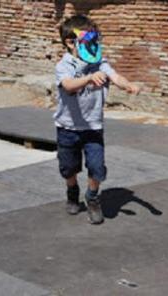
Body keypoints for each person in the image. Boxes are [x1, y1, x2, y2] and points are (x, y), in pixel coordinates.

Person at [55, 15, 140, 224]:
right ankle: (72, 190)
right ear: (70, 42)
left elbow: (116, 76)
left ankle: (92, 197)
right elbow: (67, 85)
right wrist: (88, 78)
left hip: (93, 127)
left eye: (96, 39)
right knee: (68, 168)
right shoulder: (64, 65)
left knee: (97, 167)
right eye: (88, 40)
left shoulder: (101, 63)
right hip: (67, 127)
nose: (94, 44)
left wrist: (128, 85)